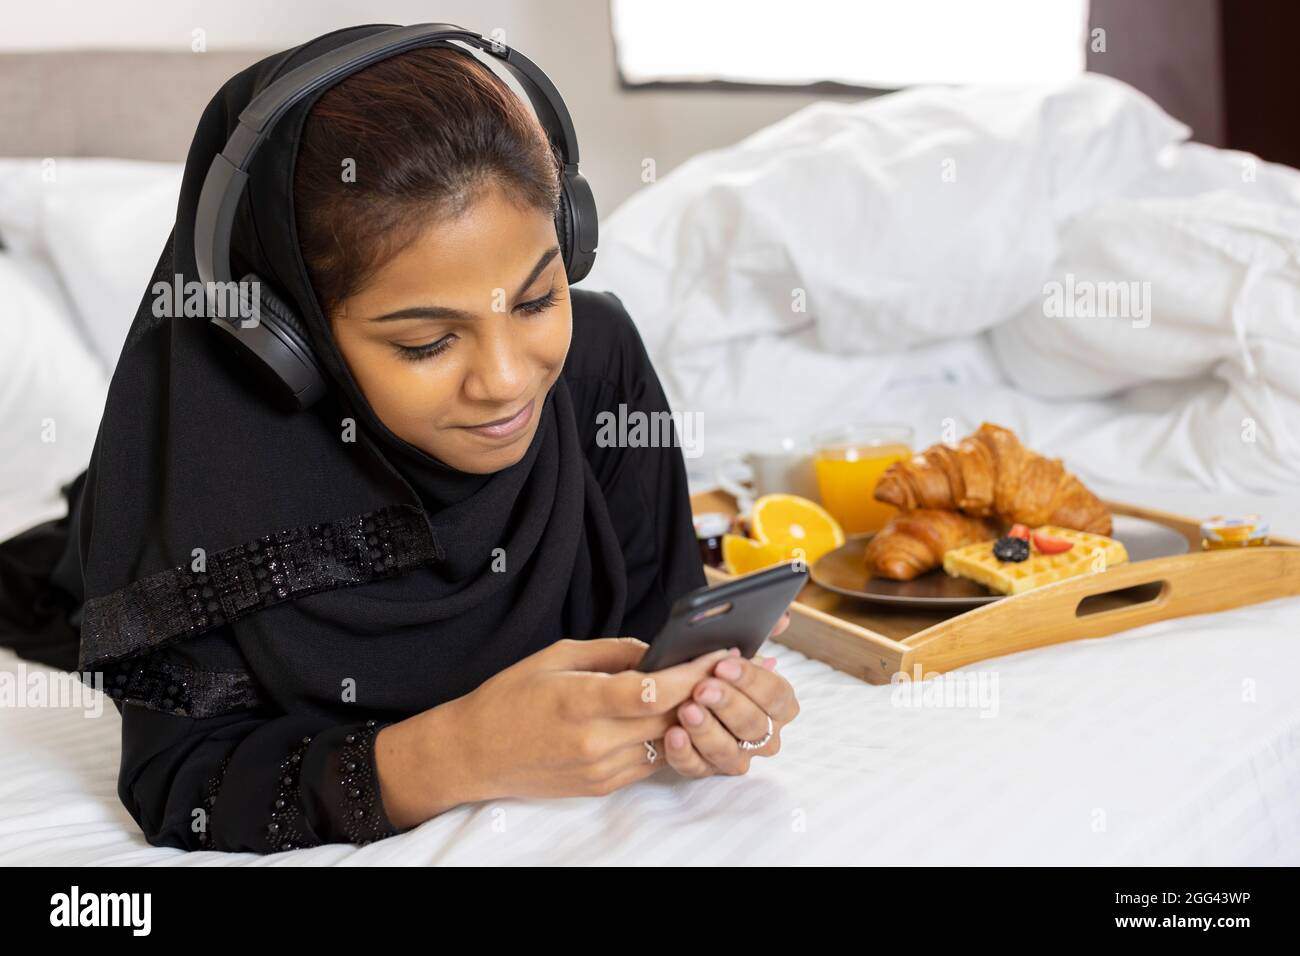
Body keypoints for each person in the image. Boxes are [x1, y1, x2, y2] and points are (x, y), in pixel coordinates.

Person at [0, 25, 799, 853]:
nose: (507, 380)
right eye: (427, 343)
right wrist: (459, 753)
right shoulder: (212, 475)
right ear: (292, 337)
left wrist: (703, 708)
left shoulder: (597, 366)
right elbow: (181, 783)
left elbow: (658, 630)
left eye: (535, 301)